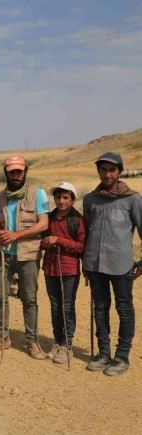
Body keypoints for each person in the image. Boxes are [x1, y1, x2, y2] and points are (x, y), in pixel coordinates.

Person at [82, 152, 142, 376]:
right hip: (95, 264)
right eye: (103, 169)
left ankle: (122, 356)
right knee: (100, 309)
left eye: (112, 169)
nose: (107, 174)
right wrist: (85, 262)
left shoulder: (133, 199)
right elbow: (86, 232)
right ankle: (104, 353)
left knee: (124, 309)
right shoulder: (90, 199)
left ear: (120, 171)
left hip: (121, 264)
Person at [0, 156, 50, 359]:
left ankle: (32, 341)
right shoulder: (1, 196)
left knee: (29, 299)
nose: (15, 176)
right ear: (6, 173)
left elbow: (43, 224)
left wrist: (15, 235)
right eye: (11, 172)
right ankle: (1, 336)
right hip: (3, 254)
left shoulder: (37, 193)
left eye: (18, 172)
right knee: (0, 296)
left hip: (28, 254)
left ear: (25, 172)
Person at [40, 182, 85, 366]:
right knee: (55, 307)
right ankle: (57, 342)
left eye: (66, 197)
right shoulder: (48, 218)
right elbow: (41, 241)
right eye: (58, 197)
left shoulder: (78, 220)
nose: (61, 201)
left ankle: (67, 346)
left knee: (67, 307)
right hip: (50, 268)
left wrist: (58, 240)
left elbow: (81, 246)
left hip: (69, 270)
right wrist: (46, 243)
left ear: (73, 200)